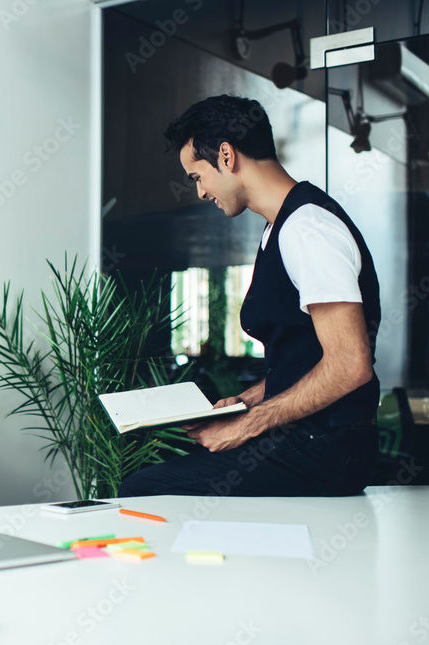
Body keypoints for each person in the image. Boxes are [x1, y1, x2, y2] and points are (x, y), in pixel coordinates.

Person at [118, 95, 381, 497]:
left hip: (327, 450)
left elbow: (350, 365)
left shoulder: (308, 228)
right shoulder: (279, 228)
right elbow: (304, 358)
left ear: (227, 156)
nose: (201, 192)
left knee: (143, 487)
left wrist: (246, 426)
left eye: (196, 176)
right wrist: (246, 400)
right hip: (307, 442)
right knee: (157, 477)